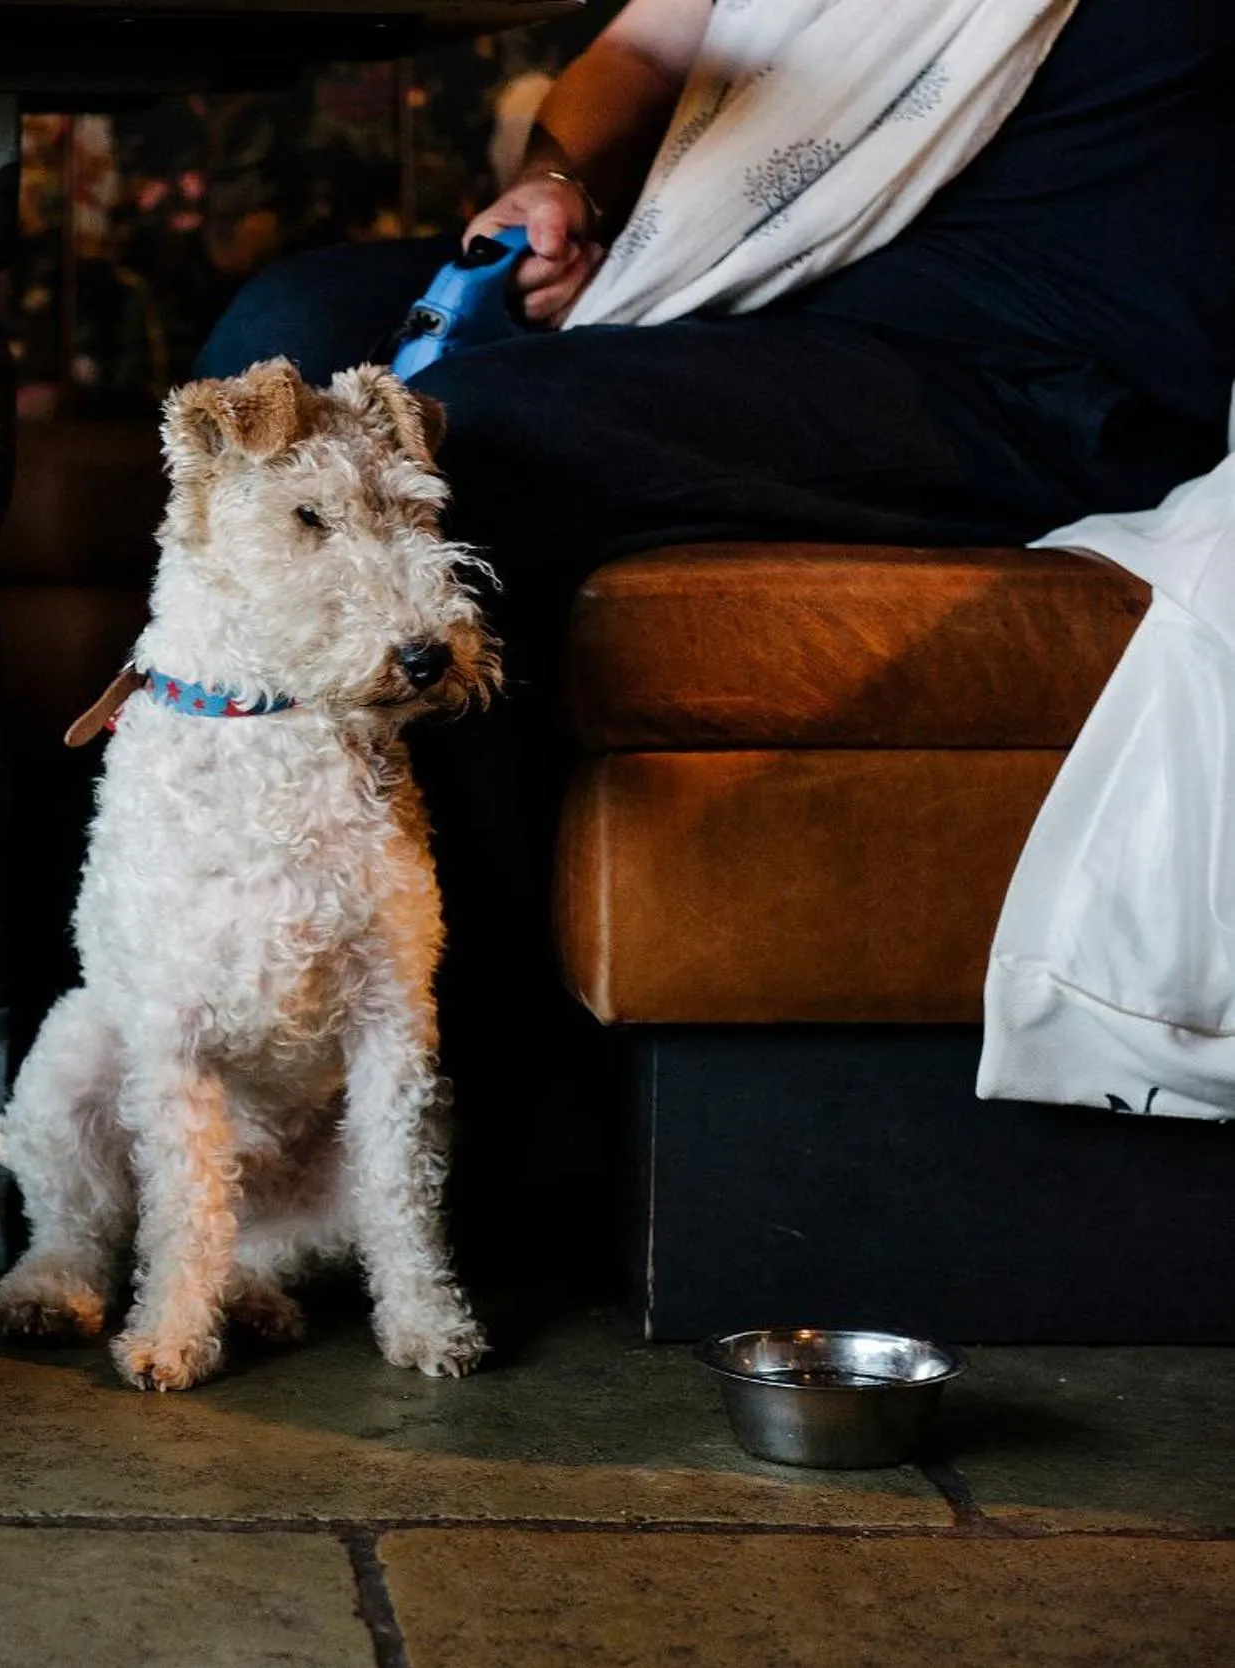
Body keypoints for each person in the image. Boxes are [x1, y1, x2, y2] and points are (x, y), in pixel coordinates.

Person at [191, 0, 1235, 1280]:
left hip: (1030, 368)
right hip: (747, 275)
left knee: (472, 434)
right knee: (278, 342)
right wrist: (557, 186)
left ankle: (477, 1110)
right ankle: (209, 1037)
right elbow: (645, 48)